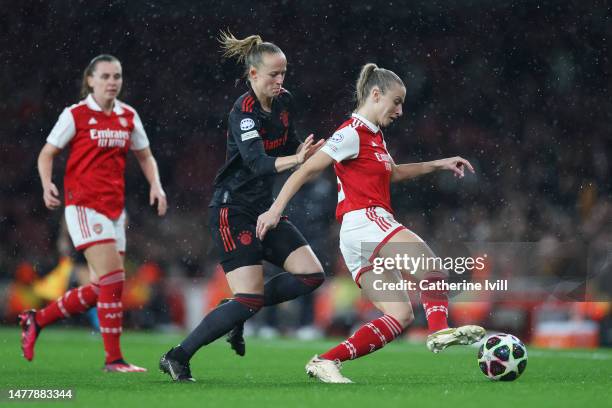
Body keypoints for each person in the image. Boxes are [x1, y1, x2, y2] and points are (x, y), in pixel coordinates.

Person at [256, 63, 486, 383]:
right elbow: (307, 169)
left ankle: (325, 361)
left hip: (357, 234)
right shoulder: (352, 132)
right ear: (376, 95)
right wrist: (275, 209)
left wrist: (439, 163)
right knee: (432, 269)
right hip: (366, 219)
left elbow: (393, 172)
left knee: (400, 314)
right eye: (396, 101)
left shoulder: (375, 136)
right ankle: (440, 331)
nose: (400, 110)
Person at [159, 31, 326, 382]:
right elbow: (257, 163)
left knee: (311, 275)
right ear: (253, 74)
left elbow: (292, 146)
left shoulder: (284, 103)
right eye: (273, 75)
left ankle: (232, 311)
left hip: (265, 209)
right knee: (248, 297)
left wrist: (312, 156)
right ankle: (178, 355)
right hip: (231, 211)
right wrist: (296, 159)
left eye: (284, 73)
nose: (280, 81)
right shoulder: (243, 111)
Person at [19, 54, 168, 373]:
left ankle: (37, 319)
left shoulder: (128, 115)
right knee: (115, 279)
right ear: (90, 80)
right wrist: (47, 185)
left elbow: (145, 155)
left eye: (117, 76)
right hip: (84, 206)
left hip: (116, 210)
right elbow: (47, 153)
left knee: (103, 287)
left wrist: (156, 185)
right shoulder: (75, 115)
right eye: (105, 77)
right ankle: (113, 360)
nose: (112, 82)